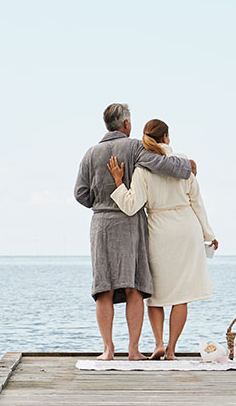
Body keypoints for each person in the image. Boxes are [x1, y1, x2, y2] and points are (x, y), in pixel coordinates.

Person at [75, 103, 197, 360]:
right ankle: (133, 350)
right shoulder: (134, 147)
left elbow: (80, 193)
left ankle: (108, 349)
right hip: (130, 223)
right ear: (127, 125)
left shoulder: (90, 154)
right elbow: (162, 164)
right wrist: (186, 165)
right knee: (134, 288)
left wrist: (100, 203)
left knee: (104, 288)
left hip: (101, 224)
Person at [106, 118, 217, 360]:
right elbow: (197, 201)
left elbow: (131, 205)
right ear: (166, 137)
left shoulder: (142, 169)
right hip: (186, 228)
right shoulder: (183, 164)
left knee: (155, 293)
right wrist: (208, 233)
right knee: (182, 293)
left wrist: (117, 182)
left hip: (158, 230)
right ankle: (171, 350)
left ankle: (158, 343)